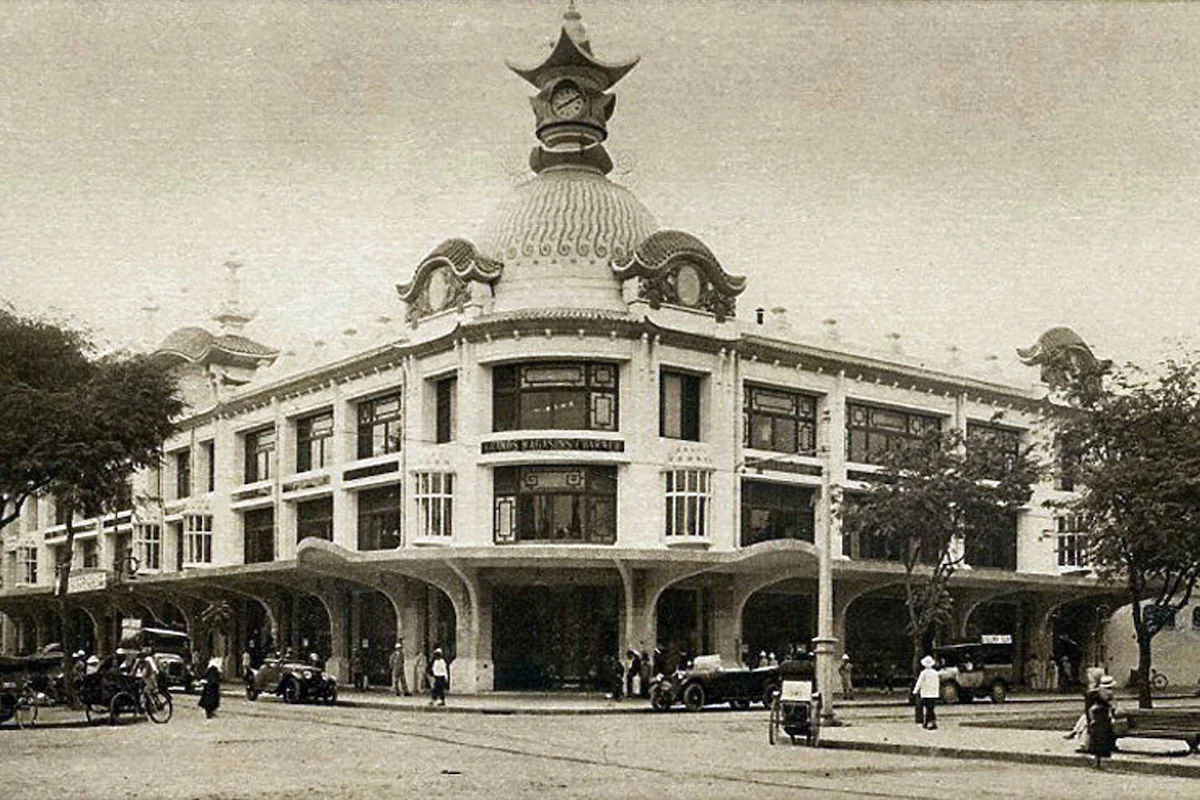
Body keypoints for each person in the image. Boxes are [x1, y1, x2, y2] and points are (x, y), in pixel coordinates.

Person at [1085, 675, 1118, 766]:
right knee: (1103, 738)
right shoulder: (1107, 694)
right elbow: (1112, 705)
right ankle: (1100, 760)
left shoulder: (1093, 693)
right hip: (1103, 717)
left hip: (1097, 718)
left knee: (1097, 739)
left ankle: (1097, 760)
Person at [912, 654, 940, 730]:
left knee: (928, 709)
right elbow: (937, 683)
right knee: (931, 708)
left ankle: (931, 722)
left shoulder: (923, 673)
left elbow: (919, 682)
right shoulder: (935, 673)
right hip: (934, 694)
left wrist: (915, 691)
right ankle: (927, 722)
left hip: (926, 693)